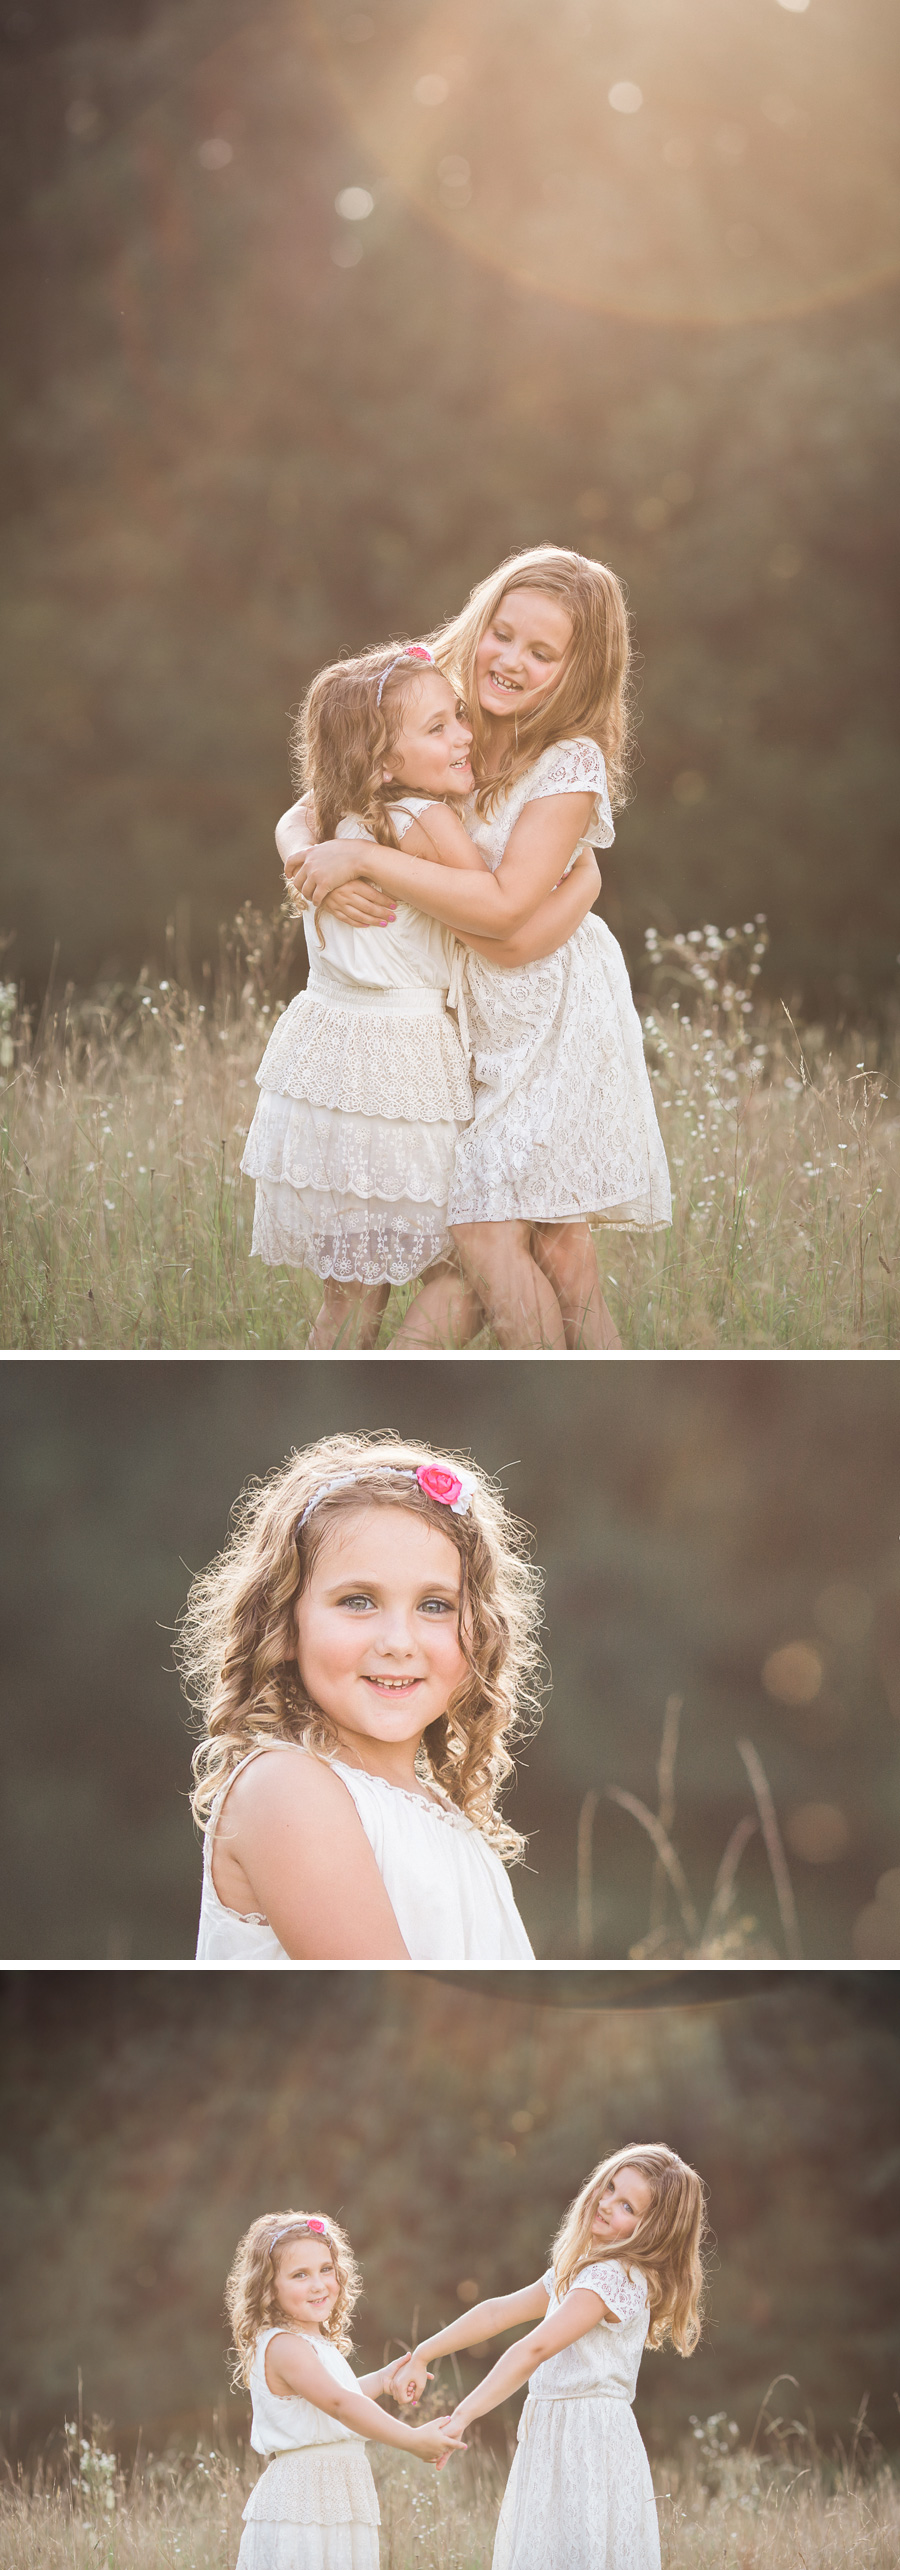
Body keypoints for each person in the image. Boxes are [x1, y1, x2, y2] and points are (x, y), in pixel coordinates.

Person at [284, 547, 671, 1351]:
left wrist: (362, 858)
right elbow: (319, 795)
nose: (512, 662)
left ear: (578, 671)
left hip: (552, 1016)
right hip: (465, 1025)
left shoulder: (569, 762)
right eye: (503, 635)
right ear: (480, 623)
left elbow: (508, 931)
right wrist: (302, 859)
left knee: (513, 1237)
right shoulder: (439, 713)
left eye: (543, 653)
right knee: (547, 1254)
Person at [243, 639, 602, 1348]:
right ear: (381, 761)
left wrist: (300, 859)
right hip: (401, 1072)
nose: (464, 736)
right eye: (438, 729)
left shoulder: (333, 824)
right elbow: (495, 921)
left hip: (326, 1067)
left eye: (458, 717)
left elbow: (295, 818)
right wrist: (585, 886)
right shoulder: (425, 822)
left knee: (349, 1297)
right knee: (476, 1262)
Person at [182, 1433, 543, 1961]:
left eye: (436, 1605)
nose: (398, 1642)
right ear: (283, 1625)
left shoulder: (441, 1812)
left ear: (482, 1629)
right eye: (358, 1601)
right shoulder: (288, 1789)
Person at [388, 2143, 706, 2570]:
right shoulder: (582, 2268)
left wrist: (460, 2417)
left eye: (628, 2206)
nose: (608, 2204)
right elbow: (497, 2312)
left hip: (587, 2440)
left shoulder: (612, 2278)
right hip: (557, 2433)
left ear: (653, 2230)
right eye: (610, 2188)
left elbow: (533, 2348)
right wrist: (423, 2354)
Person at [226, 2209, 463, 2570]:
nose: (319, 2284)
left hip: (337, 2491)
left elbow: (337, 2397)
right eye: (300, 2275)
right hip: (303, 2498)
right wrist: (411, 2439)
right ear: (268, 2289)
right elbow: (339, 2404)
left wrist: (383, 2380)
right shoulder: (284, 2345)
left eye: (325, 2269)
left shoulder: (315, 2341)